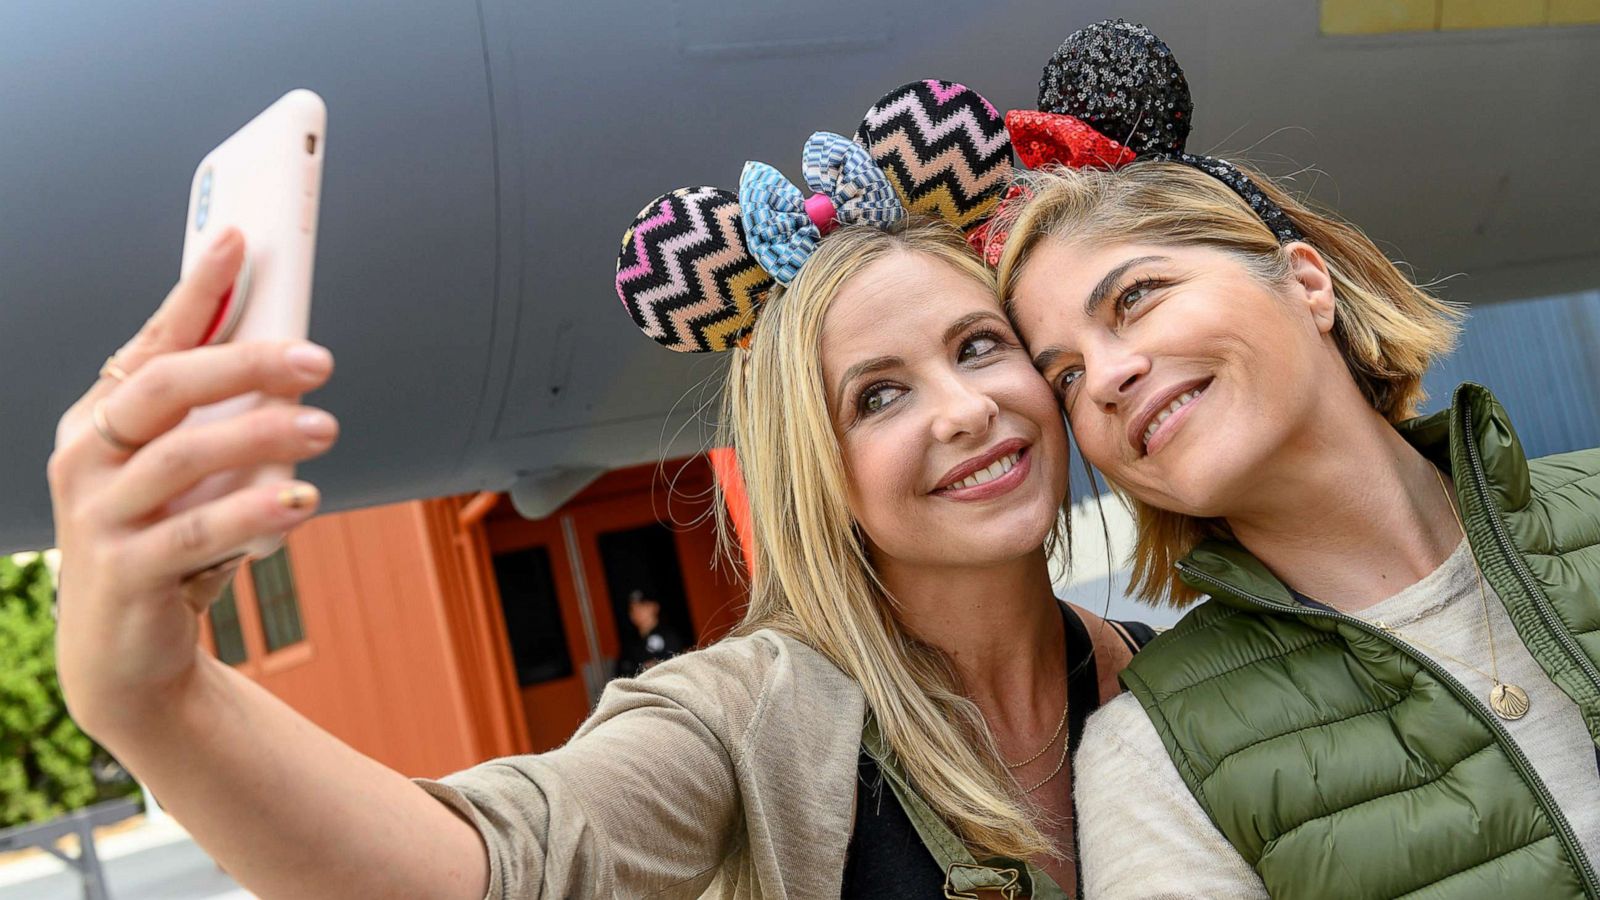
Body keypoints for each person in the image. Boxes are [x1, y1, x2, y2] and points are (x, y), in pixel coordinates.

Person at [46, 80, 1150, 899]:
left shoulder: (1161, 671)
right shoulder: (750, 719)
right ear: (817, 473)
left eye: (975, 345)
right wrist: (158, 702)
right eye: (875, 396)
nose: (962, 411)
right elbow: (499, 868)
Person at [989, 21, 1600, 898]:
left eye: (1137, 297)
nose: (1110, 378)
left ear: (1306, 282)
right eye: (1068, 378)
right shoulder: (1155, 761)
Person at [615, 589, 685, 677]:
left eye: (643, 606)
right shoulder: (630, 645)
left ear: (655, 607)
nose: (638, 612)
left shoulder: (669, 636)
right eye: (633, 608)